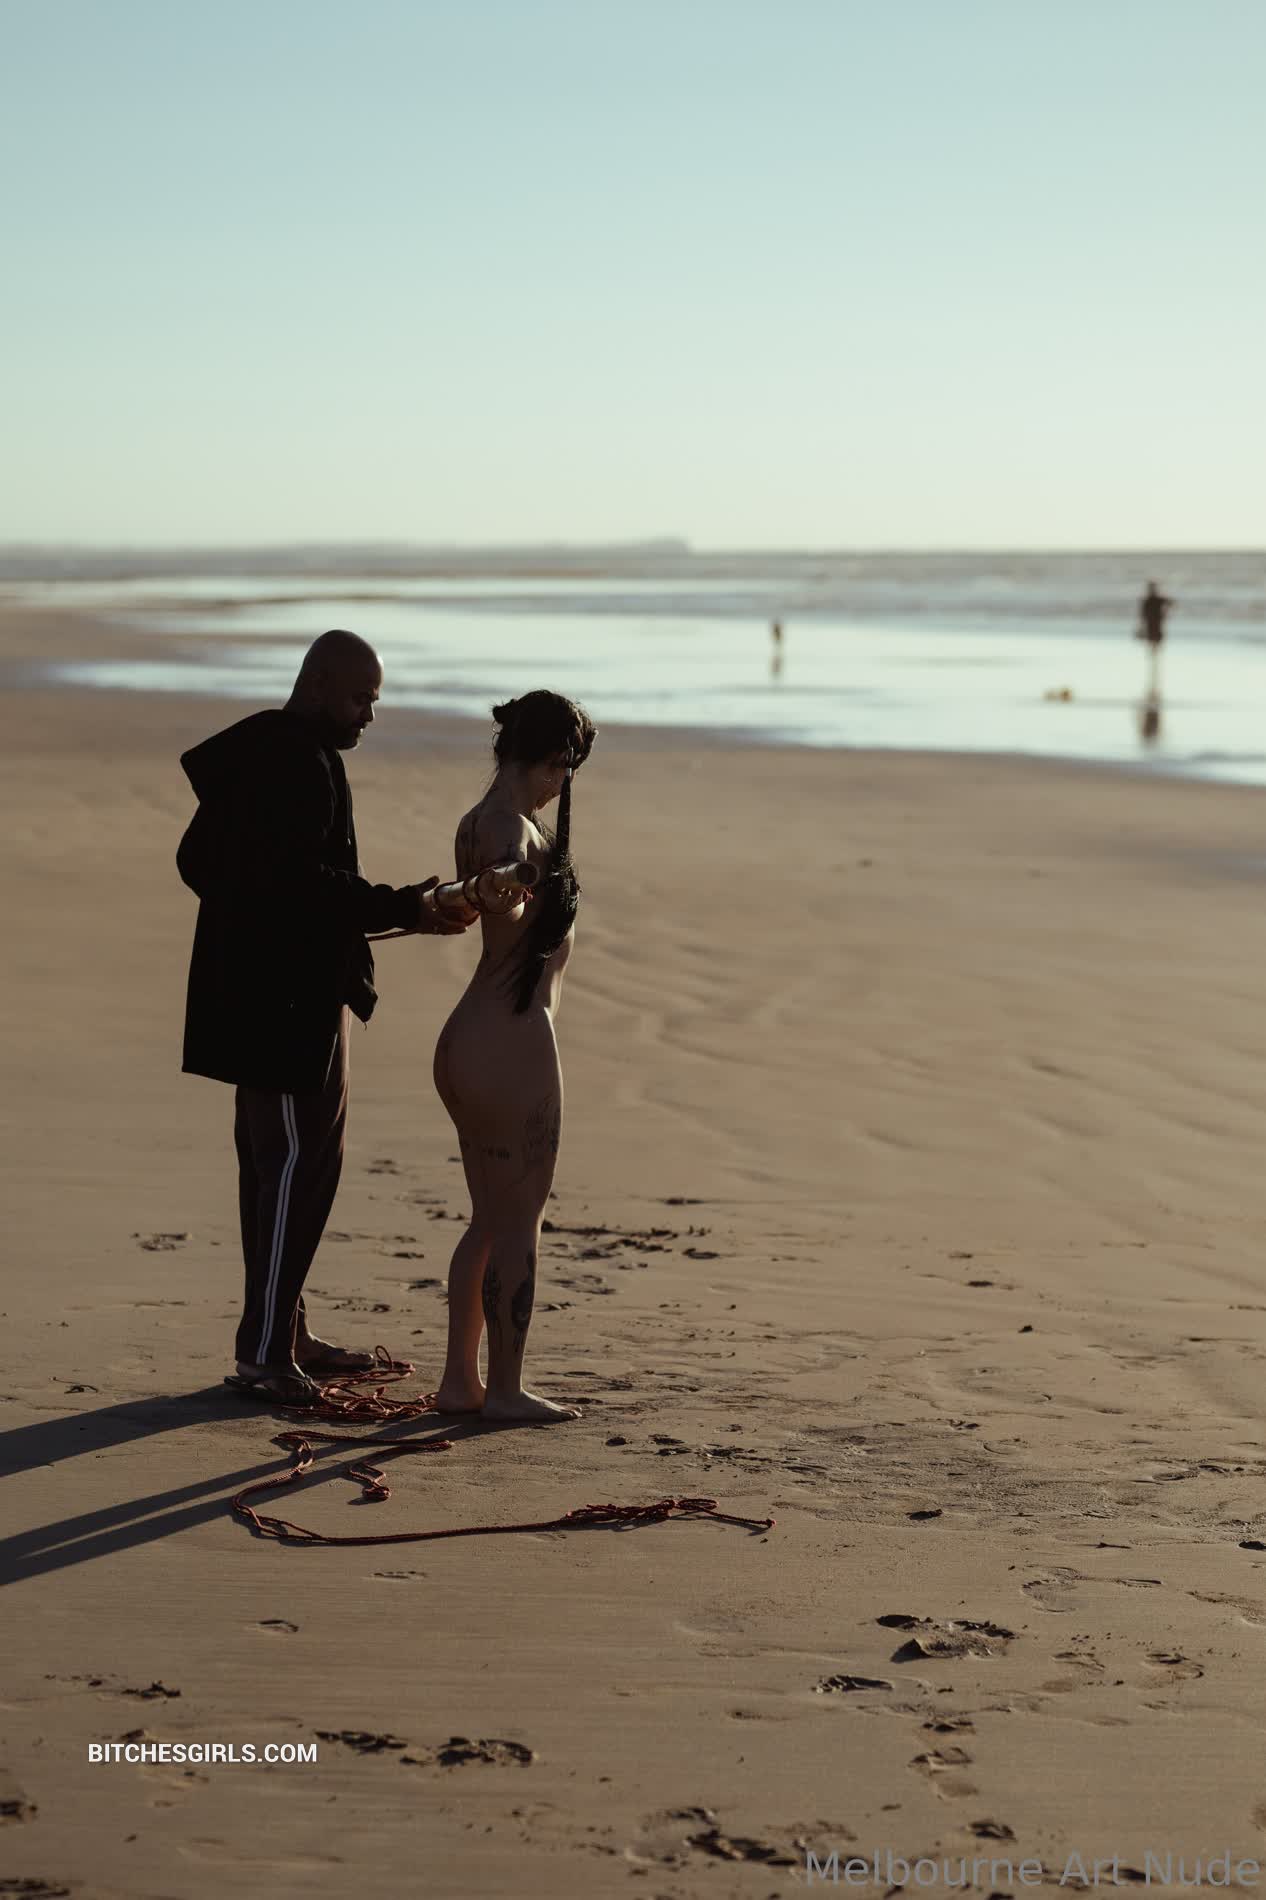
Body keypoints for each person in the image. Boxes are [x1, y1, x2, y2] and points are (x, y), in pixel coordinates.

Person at [176, 629, 477, 1409]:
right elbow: (300, 884)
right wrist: (405, 907)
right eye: (359, 698)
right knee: (289, 1169)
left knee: (287, 1167)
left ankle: (287, 1332)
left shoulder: (273, 753)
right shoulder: (293, 761)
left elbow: (207, 865)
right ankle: (264, 1356)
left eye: (373, 700)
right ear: (317, 686)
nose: (368, 714)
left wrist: (391, 913)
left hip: (276, 996)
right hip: (278, 1008)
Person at [432, 690, 597, 1423]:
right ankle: (503, 1389)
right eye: (565, 766)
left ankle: (460, 1383)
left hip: (472, 1041)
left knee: (488, 1219)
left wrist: (497, 894)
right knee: (519, 1221)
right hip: (511, 1044)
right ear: (549, 758)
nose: (564, 782)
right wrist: (505, 894)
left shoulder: (482, 818)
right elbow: (505, 896)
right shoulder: (509, 830)